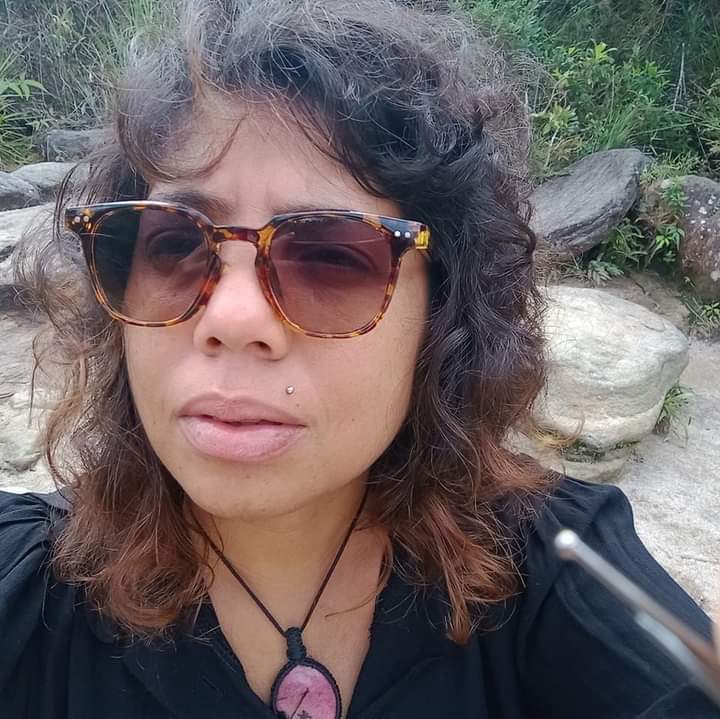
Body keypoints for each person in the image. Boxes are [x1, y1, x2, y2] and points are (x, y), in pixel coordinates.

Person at [1, 1, 717, 717]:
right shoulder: (26, 590)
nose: (232, 318)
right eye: (173, 243)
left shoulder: (557, 569)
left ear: (441, 312)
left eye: (331, 256)